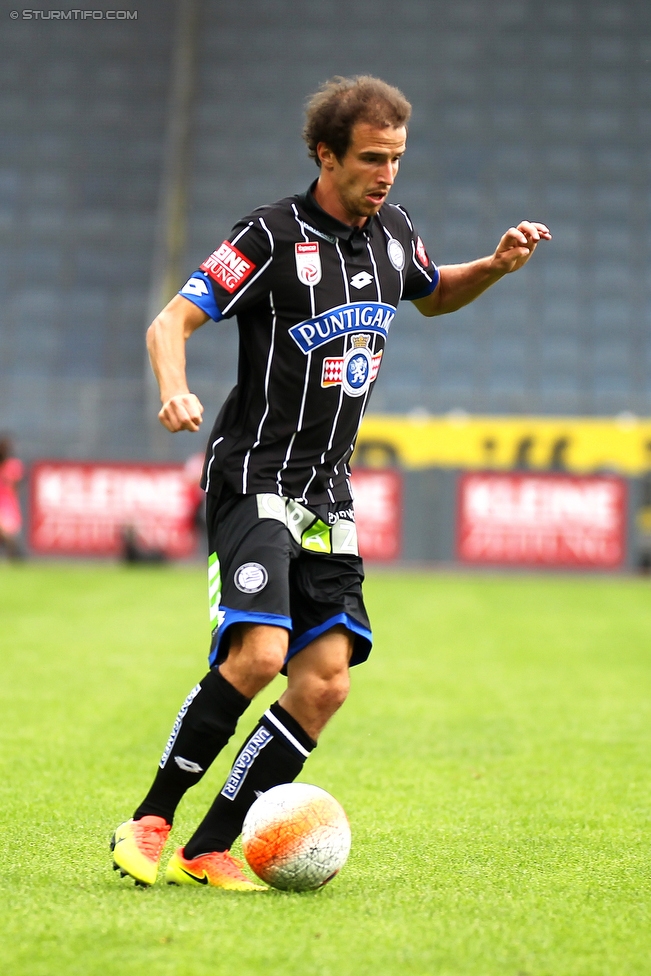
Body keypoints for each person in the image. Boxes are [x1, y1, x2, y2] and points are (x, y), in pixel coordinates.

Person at [111, 75, 550, 889]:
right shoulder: (270, 236)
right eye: (370, 159)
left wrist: (492, 266)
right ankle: (147, 823)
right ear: (325, 154)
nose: (386, 174)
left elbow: (432, 294)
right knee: (258, 653)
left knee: (324, 683)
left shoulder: (394, 234)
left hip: (329, 493)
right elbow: (170, 318)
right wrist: (173, 386)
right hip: (255, 476)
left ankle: (209, 849)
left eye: (396, 159)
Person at [0, 436, 25, 560]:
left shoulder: (13, 466)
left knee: (8, 531)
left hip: (8, 507)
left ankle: (16, 555)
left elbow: (16, 487)